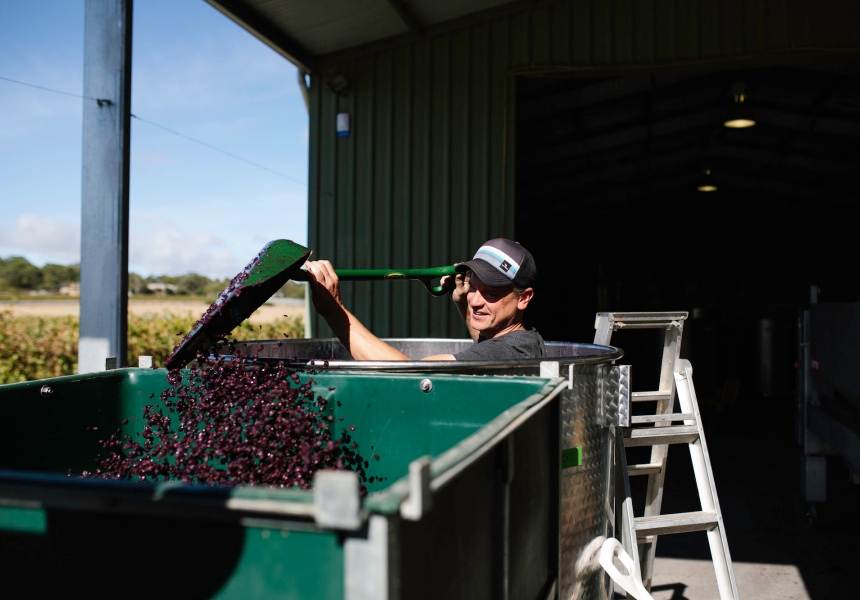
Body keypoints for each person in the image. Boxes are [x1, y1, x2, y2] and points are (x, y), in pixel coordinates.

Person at [304, 238, 546, 361]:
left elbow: (409, 376)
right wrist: (461, 301)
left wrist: (333, 310)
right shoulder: (516, 338)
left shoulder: (513, 351)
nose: (475, 301)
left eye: (491, 294)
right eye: (473, 286)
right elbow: (486, 343)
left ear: (524, 298)